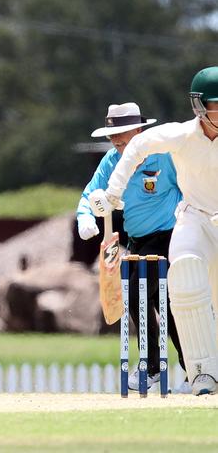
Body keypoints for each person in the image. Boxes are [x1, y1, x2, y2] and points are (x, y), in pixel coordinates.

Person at [89, 67, 218, 395]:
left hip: (181, 225)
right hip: (192, 220)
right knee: (183, 281)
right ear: (201, 106)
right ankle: (201, 372)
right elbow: (137, 148)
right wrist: (112, 195)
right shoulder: (182, 136)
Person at [77, 102, 185, 392]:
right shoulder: (111, 160)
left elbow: (189, 185)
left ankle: (163, 368)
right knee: (159, 302)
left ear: (139, 130)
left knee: (150, 296)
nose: (116, 140)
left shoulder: (163, 157)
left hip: (170, 235)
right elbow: (90, 194)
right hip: (136, 240)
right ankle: (183, 369)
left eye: (122, 132)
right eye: (112, 134)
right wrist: (86, 219)